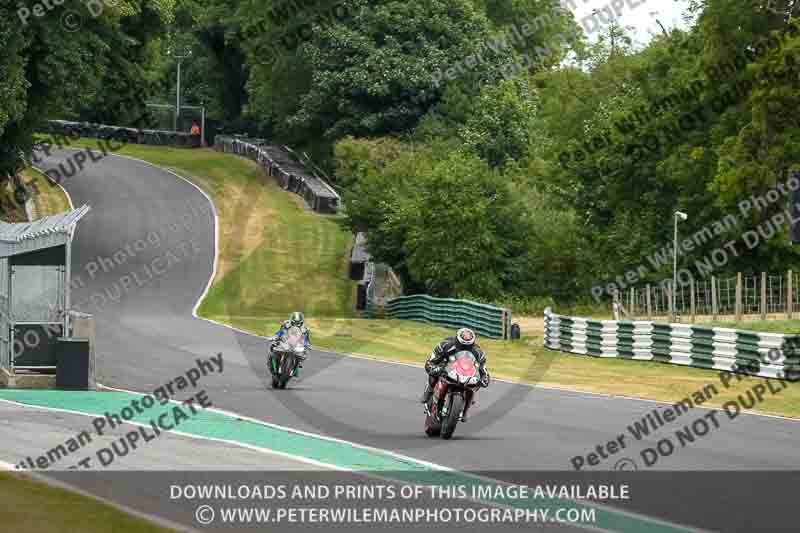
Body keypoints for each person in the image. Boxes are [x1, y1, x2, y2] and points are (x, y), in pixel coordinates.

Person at [419, 327, 490, 422]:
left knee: (474, 385)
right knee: (434, 374)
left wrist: (484, 379)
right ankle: (429, 391)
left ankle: (465, 410)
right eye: (462, 345)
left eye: (468, 346)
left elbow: (483, 369)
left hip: (464, 372)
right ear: (457, 341)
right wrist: (435, 368)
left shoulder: (478, 352)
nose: (465, 348)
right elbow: (430, 361)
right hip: (446, 366)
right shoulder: (445, 345)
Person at [269, 312, 311, 377]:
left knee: (304, 354)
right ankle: (272, 361)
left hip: (296, 344)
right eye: (294, 322)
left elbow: (306, 339)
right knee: (273, 347)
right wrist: (275, 337)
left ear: (302, 322)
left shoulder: (305, 329)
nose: (296, 324)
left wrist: (307, 345)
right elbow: (280, 332)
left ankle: (297, 365)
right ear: (291, 320)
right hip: (285, 341)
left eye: (298, 323)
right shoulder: (286, 324)